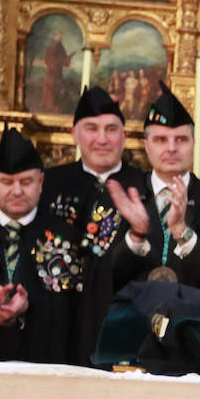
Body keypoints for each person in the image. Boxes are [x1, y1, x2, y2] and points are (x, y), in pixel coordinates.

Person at [93, 83, 200, 312]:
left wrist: (182, 232)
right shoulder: (121, 199)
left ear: (193, 144)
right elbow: (102, 280)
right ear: (146, 146)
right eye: (160, 140)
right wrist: (136, 235)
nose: (171, 148)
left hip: (194, 332)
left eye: (180, 139)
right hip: (131, 329)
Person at [39, 85, 147, 364]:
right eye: (91, 128)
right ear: (74, 133)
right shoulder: (46, 185)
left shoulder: (144, 188)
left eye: (111, 129)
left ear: (124, 137)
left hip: (123, 325)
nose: (102, 139)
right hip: (55, 325)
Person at [0, 129, 41, 359]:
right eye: (6, 182)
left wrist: (26, 309)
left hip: (42, 363)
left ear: (41, 181)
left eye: (26, 182)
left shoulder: (66, 235)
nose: (16, 191)